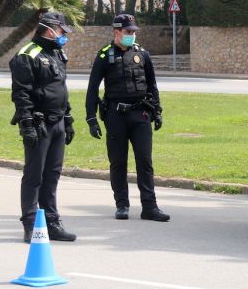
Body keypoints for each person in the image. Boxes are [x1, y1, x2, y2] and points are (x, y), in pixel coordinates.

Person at [84, 14, 170, 222]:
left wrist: (156, 111)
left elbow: (152, 85)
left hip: (140, 114)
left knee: (145, 161)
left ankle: (150, 207)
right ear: (117, 32)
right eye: (128, 32)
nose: (132, 35)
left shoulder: (142, 54)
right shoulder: (104, 56)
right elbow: (92, 89)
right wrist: (91, 119)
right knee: (118, 162)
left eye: (133, 32)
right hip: (116, 116)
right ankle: (122, 205)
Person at [9, 12, 77, 243]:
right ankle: (30, 225)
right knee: (34, 176)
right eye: (61, 31)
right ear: (49, 30)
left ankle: (51, 222)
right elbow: (21, 94)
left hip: (57, 122)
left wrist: (67, 118)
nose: (63, 36)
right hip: (38, 124)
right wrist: (26, 124)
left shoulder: (55, 53)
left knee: (52, 175)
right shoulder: (27, 55)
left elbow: (60, 88)